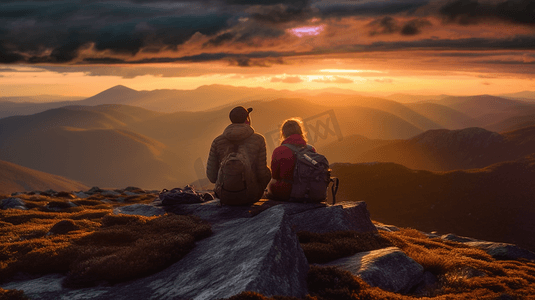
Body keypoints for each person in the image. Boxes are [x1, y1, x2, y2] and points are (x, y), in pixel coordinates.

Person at [206, 106, 271, 204]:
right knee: (268, 171)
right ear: (247, 119)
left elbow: (211, 176)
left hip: (224, 196)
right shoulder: (259, 140)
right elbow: (262, 174)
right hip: (251, 196)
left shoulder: (217, 141)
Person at [266, 118, 316, 201]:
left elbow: (275, 175)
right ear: (301, 132)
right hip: (308, 191)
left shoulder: (279, 150)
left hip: (286, 192)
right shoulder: (311, 149)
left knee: (271, 183)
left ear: (283, 133)